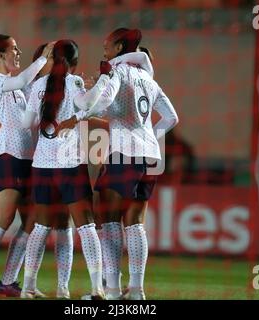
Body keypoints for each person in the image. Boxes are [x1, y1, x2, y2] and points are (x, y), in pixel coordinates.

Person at [58, 28, 179, 300]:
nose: (104, 48)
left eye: (108, 44)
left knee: (109, 220)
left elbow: (106, 101)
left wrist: (82, 109)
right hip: (150, 156)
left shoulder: (119, 72)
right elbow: (172, 118)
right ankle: (136, 291)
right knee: (135, 223)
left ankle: (112, 290)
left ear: (120, 46)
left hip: (124, 154)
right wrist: (149, 136)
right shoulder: (149, 80)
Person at [0, 34, 54, 297]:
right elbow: (26, 78)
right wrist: (42, 58)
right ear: (1, 55)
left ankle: (8, 281)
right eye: (14, 49)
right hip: (8, 156)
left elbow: (35, 98)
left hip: (29, 158)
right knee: (2, 219)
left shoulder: (18, 87)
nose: (19, 52)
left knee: (30, 220)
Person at [0, 43, 73, 299]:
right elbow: (17, 118)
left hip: (43, 161)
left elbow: (22, 119)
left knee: (35, 222)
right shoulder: (28, 86)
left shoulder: (57, 85)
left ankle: (12, 282)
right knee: (12, 220)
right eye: (47, 59)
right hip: (30, 161)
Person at [21, 39, 105, 299]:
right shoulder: (74, 82)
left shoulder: (37, 86)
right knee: (85, 226)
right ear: (75, 63)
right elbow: (88, 106)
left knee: (42, 227)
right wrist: (99, 84)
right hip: (70, 164)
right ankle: (92, 288)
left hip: (43, 166)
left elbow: (27, 123)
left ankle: (27, 287)